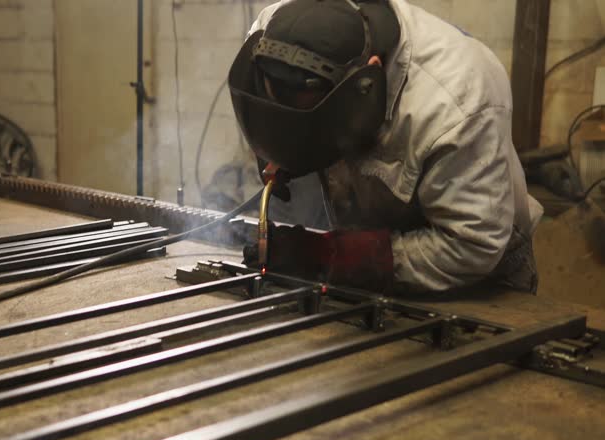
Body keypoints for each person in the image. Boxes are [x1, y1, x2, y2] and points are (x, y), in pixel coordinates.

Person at [229, 0, 542, 294]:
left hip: (471, 267)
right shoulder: (275, 31)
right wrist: (279, 142)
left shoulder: (458, 102)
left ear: (368, 81)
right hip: (366, 243)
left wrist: (330, 254)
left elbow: (472, 247)